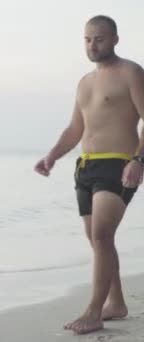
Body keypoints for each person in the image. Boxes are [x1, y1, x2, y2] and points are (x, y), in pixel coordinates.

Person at [34, 15, 144, 334]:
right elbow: (75, 127)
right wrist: (52, 156)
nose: (92, 45)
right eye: (87, 39)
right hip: (86, 167)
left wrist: (138, 160)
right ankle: (116, 302)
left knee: (102, 235)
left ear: (115, 40)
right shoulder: (84, 82)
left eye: (99, 39)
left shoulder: (131, 73)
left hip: (119, 163)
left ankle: (94, 312)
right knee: (98, 242)